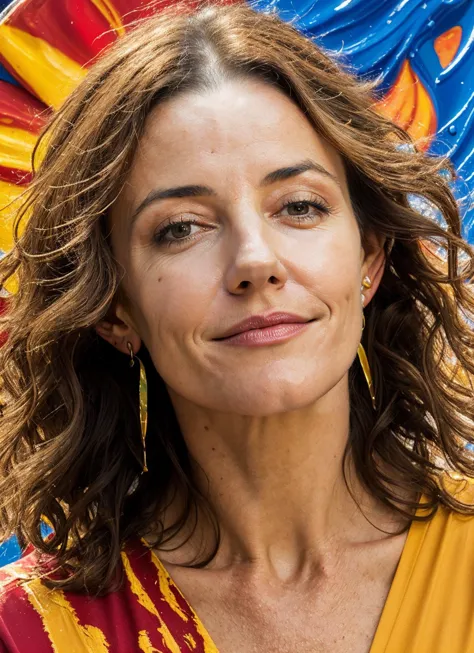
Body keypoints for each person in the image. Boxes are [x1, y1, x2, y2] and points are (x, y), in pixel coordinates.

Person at [0, 2, 473, 651]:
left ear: (369, 256)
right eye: (181, 228)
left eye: (300, 206)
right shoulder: (29, 631)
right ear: (115, 305)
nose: (255, 259)